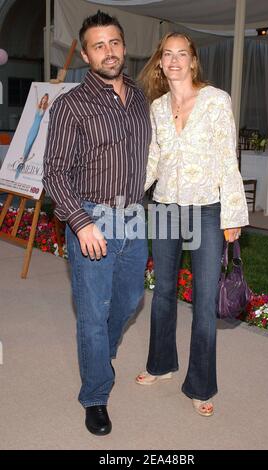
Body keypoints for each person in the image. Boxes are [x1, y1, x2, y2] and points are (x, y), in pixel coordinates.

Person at [43, 10, 151, 435]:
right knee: (92, 314)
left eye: (115, 42)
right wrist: (83, 222)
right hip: (92, 218)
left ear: (124, 46)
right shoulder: (71, 105)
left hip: (135, 219)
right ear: (87, 55)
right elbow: (55, 172)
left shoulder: (141, 97)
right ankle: (95, 395)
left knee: (127, 303)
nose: (109, 51)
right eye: (99, 45)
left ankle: (100, 352)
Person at [135, 32, 249, 417]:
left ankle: (201, 384)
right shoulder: (158, 107)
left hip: (207, 209)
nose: (174, 61)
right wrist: (129, 195)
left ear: (193, 61)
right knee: (163, 290)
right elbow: (153, 159)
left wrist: (233, 216)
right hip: (166, 206)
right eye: (167, 54)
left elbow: (226, 159)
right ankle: (161, 364)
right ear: (161, 62)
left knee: (203, 300)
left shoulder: (216, 101)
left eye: (182, 54)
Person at [15, 87, 64, 180]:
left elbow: (53, 98)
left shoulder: (45, 107)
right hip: (32, 128)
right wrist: (36, 89)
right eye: (43, 98)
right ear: (42, 98)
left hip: (36, 128)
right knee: (27, 144)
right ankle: (21, 162)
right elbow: (36, 98)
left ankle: (22, 163)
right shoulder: (38, 106)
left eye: (45, 99)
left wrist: (60, 90)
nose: (44, 99)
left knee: (30, 145)